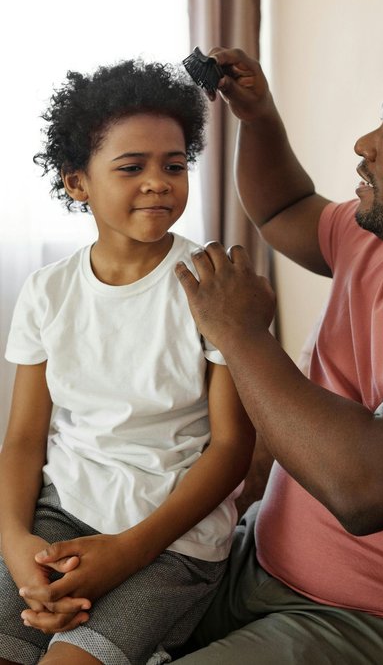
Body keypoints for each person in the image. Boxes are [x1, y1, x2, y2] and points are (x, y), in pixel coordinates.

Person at [171, 48, 383, 663]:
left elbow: (364, 487)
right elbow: (283, 209)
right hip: (255, 561)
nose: (365, 144)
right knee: (36, 613)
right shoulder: (377, 236)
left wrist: (241, 335)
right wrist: (258, 119)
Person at [0, 59, 255, 665]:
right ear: (77, 183)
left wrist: (125, 552)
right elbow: (23, 440)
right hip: (61, 517)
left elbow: (231, 449)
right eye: (131, 167)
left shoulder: (212, 282)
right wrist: (15, 543)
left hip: (172, 540)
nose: (158, 182)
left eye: (174, 166)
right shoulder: (47, 291)